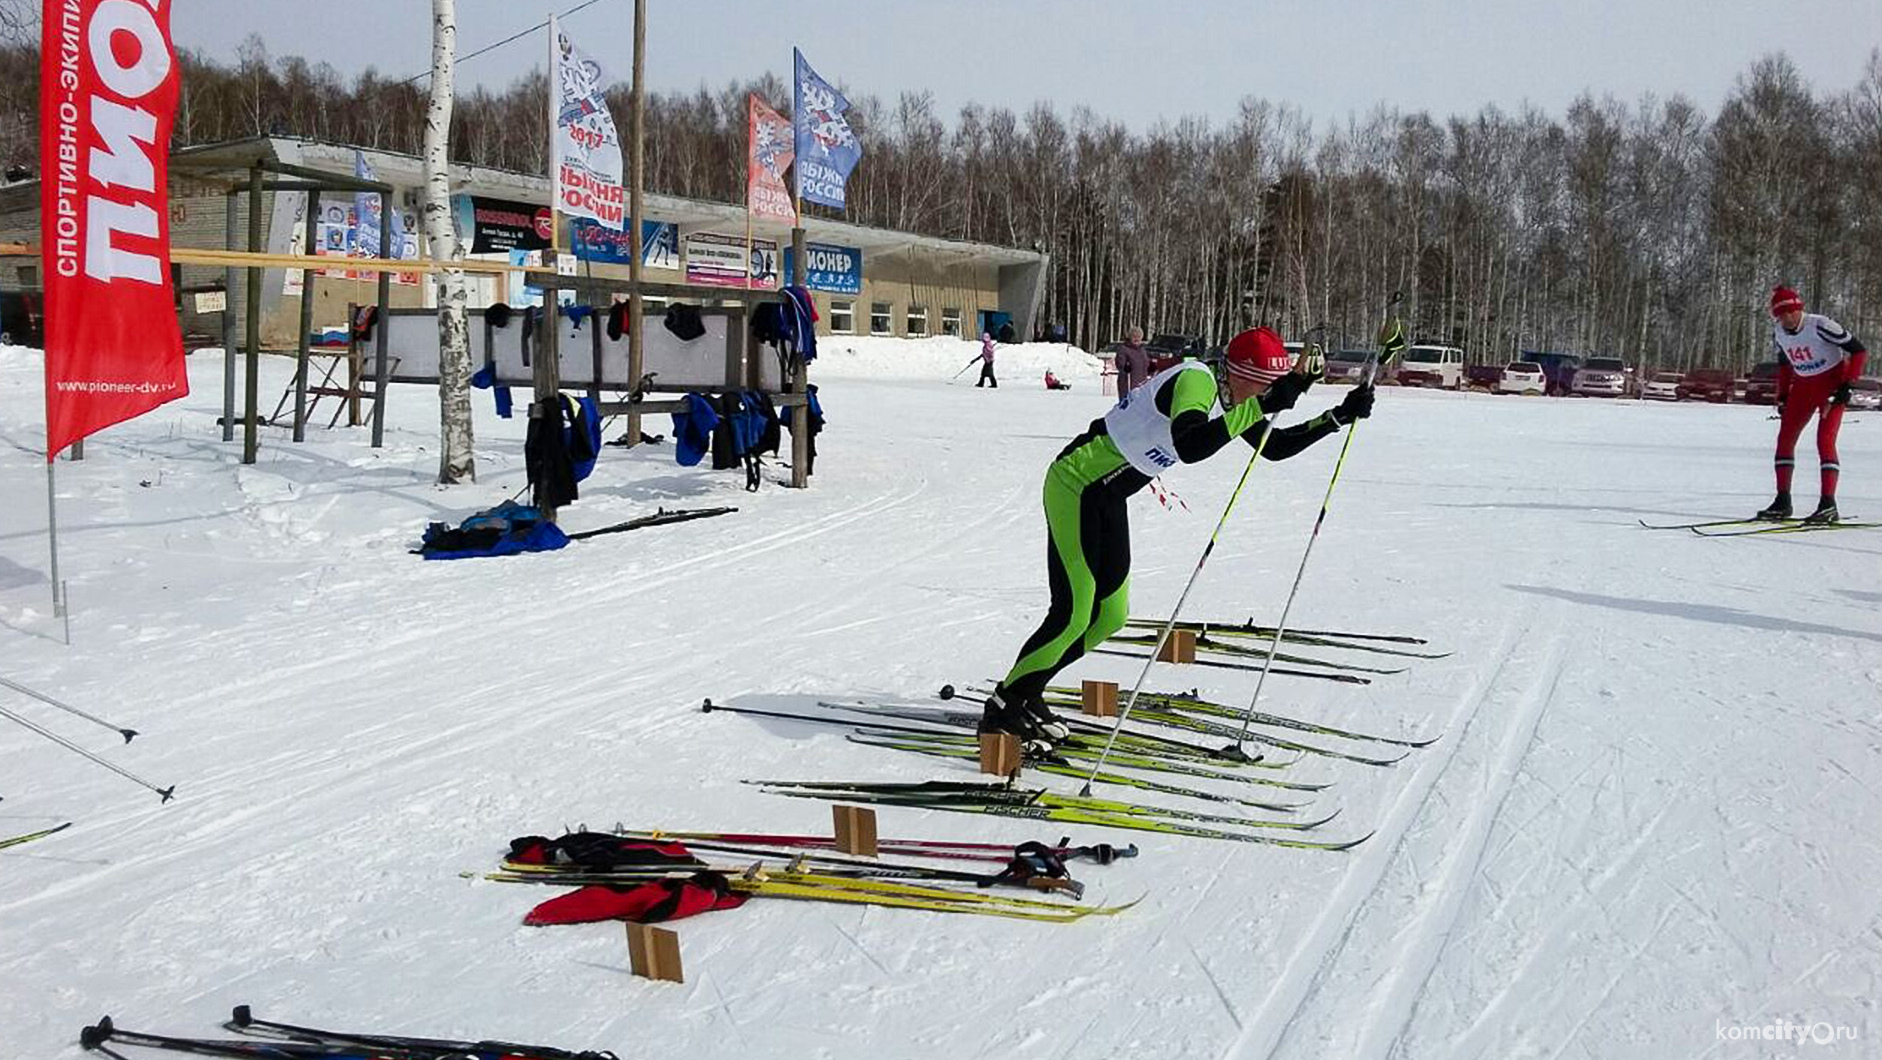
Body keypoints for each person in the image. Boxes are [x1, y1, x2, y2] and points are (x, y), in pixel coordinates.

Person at [981, 327, 1375, 747]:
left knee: (1109, 616)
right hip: (1076, 485)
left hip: (1107, 497)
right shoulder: (1197, 380)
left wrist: (1335, 418)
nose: (1268, 394)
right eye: (1264, 385)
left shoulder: (1233, 396)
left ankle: (1029, 690)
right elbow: (1189, 445)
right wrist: (1263, 402)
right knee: (1073, 613)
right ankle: (1003, 706)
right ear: (1239, 374)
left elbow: (1273, 446)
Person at [1757, 285, 1867, 524]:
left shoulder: (1820, 325)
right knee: (1785, 439)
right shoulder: (1779, 331)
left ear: (1797, 310)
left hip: (1831, 385)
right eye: (1779, 315)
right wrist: (1783, 395)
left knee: (1824, 440)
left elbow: (1858, 351)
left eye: (1788, 313)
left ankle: (1828, 504)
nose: (1785, 319)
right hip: (1804, 388)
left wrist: (1846, 385)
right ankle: (1782, 501)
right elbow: (1785, 364)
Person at [1114, 327, 1150, 393]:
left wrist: (1150, 367)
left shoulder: (1142, 350)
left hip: (1141, 382)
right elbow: (1119, 363)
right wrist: (1124, 366)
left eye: (1138, 337)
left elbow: (1146, 363)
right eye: (1134, 336)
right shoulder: (1124, 349)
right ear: (1130, 337)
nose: (1136, 339)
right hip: (1128, 382)